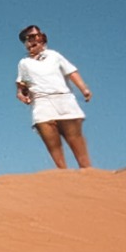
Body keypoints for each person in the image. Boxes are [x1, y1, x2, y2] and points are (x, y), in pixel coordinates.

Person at [16, 25, 92, 168]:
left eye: (36, 36)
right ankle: (63, 174)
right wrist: (21, 94)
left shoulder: (54, 55)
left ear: (43, 39)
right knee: (51, 141)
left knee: (75, 139)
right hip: (41, 103)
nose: (33, 41)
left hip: (64, 100)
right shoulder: (24, 63)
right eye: (29, 38)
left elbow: (71, 72)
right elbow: (21, 84)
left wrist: (84, 89)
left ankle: (88, 173)